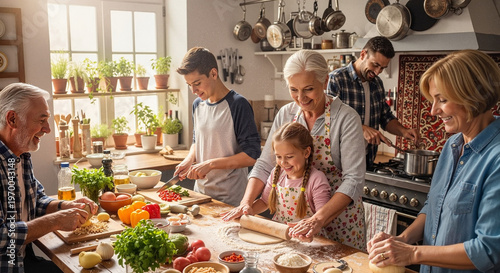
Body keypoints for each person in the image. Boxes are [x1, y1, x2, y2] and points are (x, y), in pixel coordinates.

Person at [367, 50, 500, 273]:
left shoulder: (495, 159)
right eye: (433, 99)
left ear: (474, 95)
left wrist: (412, 254)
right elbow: (433, 206)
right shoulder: (452, 145)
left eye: (443, 99)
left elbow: (488, 250)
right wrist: (402, 240)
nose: (433, 110)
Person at [222, 50, 367, 251]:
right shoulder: (286, 114)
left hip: (340, 223)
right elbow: (265, 164)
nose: (301, 98)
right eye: (293, 90)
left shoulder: (346, 118)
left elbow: (353, 180)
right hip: (295, 227)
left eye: (308, 89)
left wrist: (317, 220)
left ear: (325, 82)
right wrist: (246, 203)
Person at [0, 83, 98, 273]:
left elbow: (36, 202)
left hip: (23, 260)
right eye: (41, 120)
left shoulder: (21, 155)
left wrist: (65, 206)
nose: (47, 129)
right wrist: (56, 221)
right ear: (12, 119)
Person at [175, 47, 261, 207]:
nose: (193, 90)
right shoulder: (197, 105)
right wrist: (189, 160)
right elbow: (198, 141)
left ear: (213, 74)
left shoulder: (238, 105)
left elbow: (252, 155)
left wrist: (210, 164)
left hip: (230, 200)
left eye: (197, 83)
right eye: (189, 85)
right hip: (200, 196)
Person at [328, 36, 418, 168]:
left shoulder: (377, 83)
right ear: (363, 54)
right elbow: (328, 119)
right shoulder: (337, 79)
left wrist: (403, 131)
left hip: (367, 159)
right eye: (375, 65)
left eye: (382, 68)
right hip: (340, 161)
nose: (377, 72)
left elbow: (385, 117)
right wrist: (360, 128)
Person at [251, 122, 331, 224]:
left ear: (306, 152)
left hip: (308, 236)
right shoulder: (277, 173)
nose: (283, 162)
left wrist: (306, 226)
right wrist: (248, 210)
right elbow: (264, 202)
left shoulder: (316, 179)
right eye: (279, 156)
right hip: (280, 233)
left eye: (289, 157)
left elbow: (322, 216)